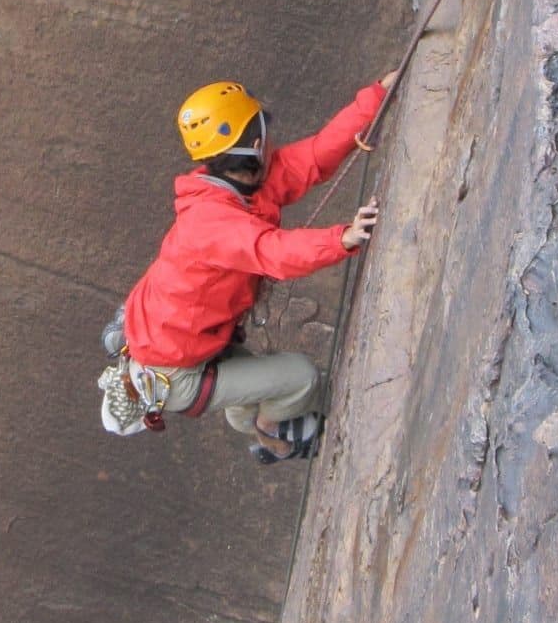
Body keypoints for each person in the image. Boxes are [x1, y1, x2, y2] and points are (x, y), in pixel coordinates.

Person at [121, 72, 396, 463]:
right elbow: (273, 252)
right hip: (176, 372)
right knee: (301, 379)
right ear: (256, 145)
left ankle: (254, 420)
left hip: (181, 345)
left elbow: (314, 158)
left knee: (248, 396)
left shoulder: (233, 185)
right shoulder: (213, 222)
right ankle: (273, 433)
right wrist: (341, 238)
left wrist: (376, 97)